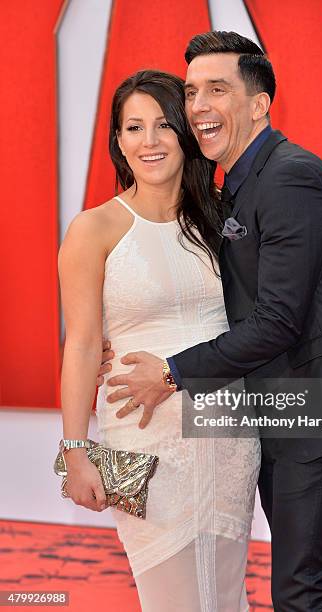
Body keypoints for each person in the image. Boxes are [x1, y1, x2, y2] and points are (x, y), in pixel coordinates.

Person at [100, 33, 322, 611]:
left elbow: (277, 322)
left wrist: (168, 371)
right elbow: (221, 305)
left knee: (304, 595)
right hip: (283, 418)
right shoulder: (236, 186)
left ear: (260, 104)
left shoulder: (289, 176)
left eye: (218, 90)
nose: (199, 107)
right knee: (304, 590)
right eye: (191, 93)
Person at [58, 69, 260, 611]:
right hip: (142, 440)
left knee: (223, 596)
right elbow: (80, 345)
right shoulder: (93, 229)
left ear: (186, 133)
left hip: (228, 441)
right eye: (133, 128)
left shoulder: (222, 221)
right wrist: (76, 452)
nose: (148, 142)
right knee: (168, 597)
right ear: (118, 141)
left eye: (163, 126)